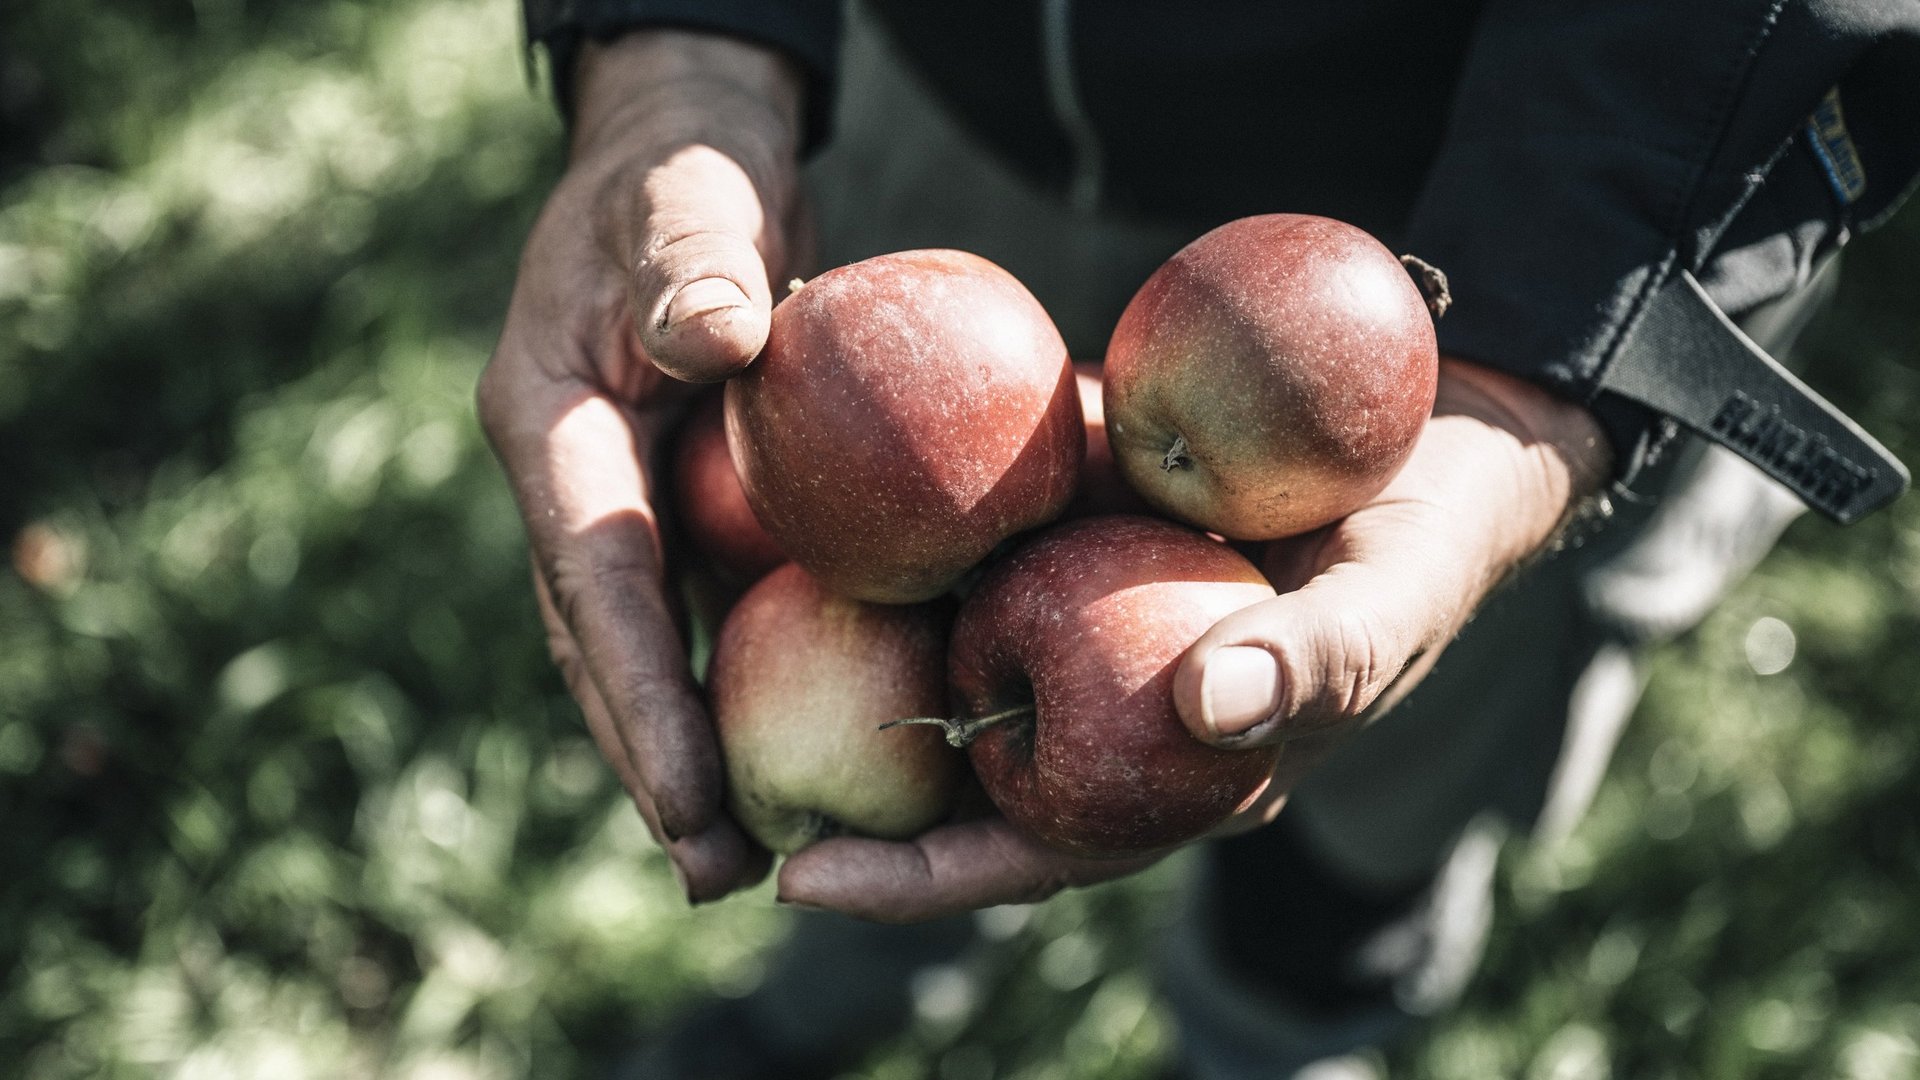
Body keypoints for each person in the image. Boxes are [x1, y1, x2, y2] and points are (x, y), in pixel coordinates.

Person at [477, 3, 1918, 1075]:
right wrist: (681, 51)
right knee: (901, 737)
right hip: (941, 123)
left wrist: (1559, 349)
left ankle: (1275, 1045)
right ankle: (822, 1009)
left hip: (1492, 248)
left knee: (1379, 795)